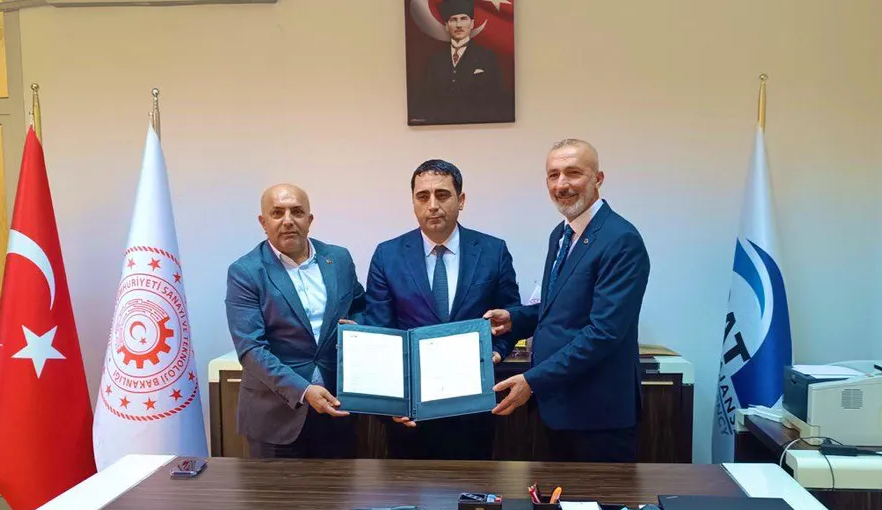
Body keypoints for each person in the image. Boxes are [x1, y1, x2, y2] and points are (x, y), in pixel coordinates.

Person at [484, 139, 650, 462]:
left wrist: (533, 380)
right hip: (558, 408)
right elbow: (558, 308)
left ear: (598, 179)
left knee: (596, 498)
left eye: (573, 173)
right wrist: (517, 319)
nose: (562, 184)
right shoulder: (561, 235)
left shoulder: (621, 240)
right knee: (557, 496)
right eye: (553, 175)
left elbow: (603, 333)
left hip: (598, 418)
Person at [365, 158, 520, 459]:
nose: (433, 205)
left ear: (461, 200)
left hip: (473, 407)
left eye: (443, 194)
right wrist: (391, 402)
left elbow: (510, 314)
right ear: (413, 202)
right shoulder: (387, 255)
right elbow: (379, 329)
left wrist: (498, 351)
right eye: (423, 196)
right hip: (411, 412)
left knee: (473, 487)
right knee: (408, 487)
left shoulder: (493, 251)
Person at [225, 184, 365, 459]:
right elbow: (251, 349)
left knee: (340, 487)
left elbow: (360, 304)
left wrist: (358, 329)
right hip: (276, 417)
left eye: (297, 212)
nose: (288, 220)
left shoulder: (338, 259)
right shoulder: (245, 272)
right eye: (277, 213)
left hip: (338, 409)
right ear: (263, 222)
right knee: (278, 490)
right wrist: (303, 390)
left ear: (309, 220)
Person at [415, 0, 511, 125]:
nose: (459, 25)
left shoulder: (487, 58)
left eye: (463, 19)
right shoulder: (435, 61)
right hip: (442, 128)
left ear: (472, 24)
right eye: (453, 20)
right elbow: (427, 101)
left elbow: (497, 100)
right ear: (447, 26)